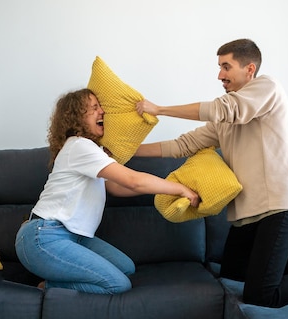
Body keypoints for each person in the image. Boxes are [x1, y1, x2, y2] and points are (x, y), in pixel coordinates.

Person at [134, 38, 288, 307]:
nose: (220, 75)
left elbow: (224, 109)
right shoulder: (226, 117)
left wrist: (159, 109)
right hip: (247, 214)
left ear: (249, 69)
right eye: (219, 67)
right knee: (232, 272)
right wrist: (127, 152)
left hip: (278, 207)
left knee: (262, 294)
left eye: (226, 67)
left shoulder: (267, 87)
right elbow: (182, 145)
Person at [15, 88, 200, 294]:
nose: (102, 112)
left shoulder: (93, 151)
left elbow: (117, 187)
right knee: (118, 284)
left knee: (126, 268)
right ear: (77, 117)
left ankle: (55, 273)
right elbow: (132, 180)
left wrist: (166, 190)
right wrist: (181, 189)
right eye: (94, 108)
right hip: (45, 237)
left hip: (73, 236)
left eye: (100, 107)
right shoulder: (79, 145)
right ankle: (47, 286)